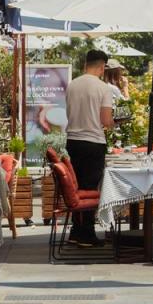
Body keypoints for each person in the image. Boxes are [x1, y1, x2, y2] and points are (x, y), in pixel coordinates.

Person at [64, 49, 114, 247]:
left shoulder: (72, 85)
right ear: (102, 67)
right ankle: (86, 233)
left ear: (86, 63)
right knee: (90, 188)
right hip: (93, 142)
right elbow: (105, 120)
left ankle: (77, 230)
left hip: (73, 141)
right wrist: (113, 123)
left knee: (76, 188)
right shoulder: (104, 88)